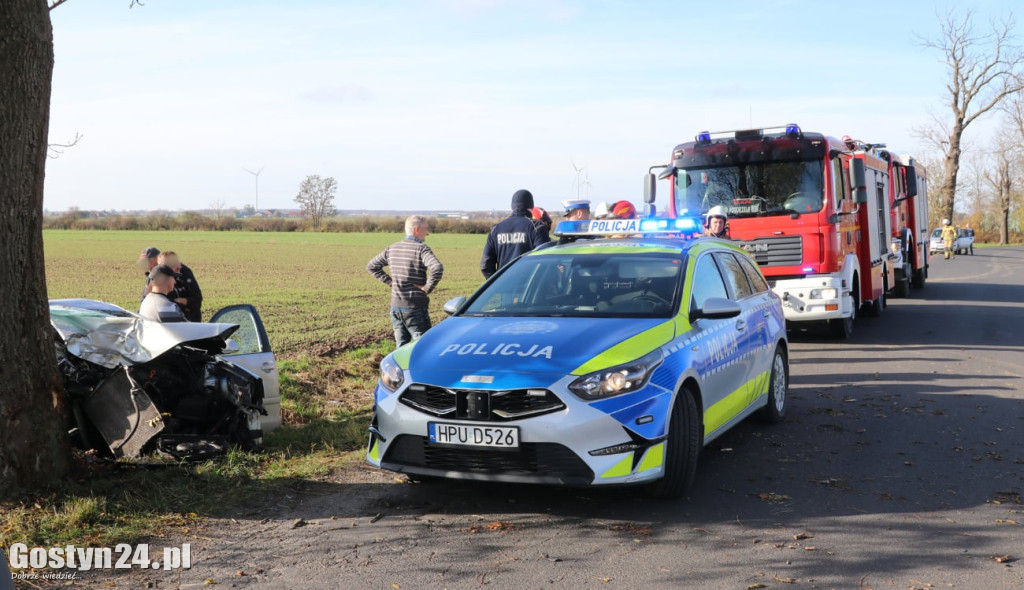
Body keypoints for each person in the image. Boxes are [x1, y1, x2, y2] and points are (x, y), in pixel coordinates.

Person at [367, 215, 444, 347]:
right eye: (426, 229)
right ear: (417, 229)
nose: (428, 233)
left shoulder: (392, 248)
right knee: (424, 347)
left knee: (401, 348)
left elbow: (372, 266)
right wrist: (427, 288)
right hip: (415, 308)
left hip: (396, 308)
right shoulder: (421, 249)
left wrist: (391, 282)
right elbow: (437, 267)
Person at [481, 189, 549, 278]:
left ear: (512, 206)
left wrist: (497, 282)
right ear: (531, 206)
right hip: (528, 284)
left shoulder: (496, 229)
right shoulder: (536, 227)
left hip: (504, 284)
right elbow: (545, 260)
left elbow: (485, 265)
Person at [159, 251, 204, 322]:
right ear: (163, 268)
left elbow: (197, 301)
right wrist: (185, 304)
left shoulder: (185, 272)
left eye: (178, 262)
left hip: (193, 322)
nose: (179, 266)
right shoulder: (158, 281)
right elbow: (168, 305)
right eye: (173, 264)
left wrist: (182, 301)